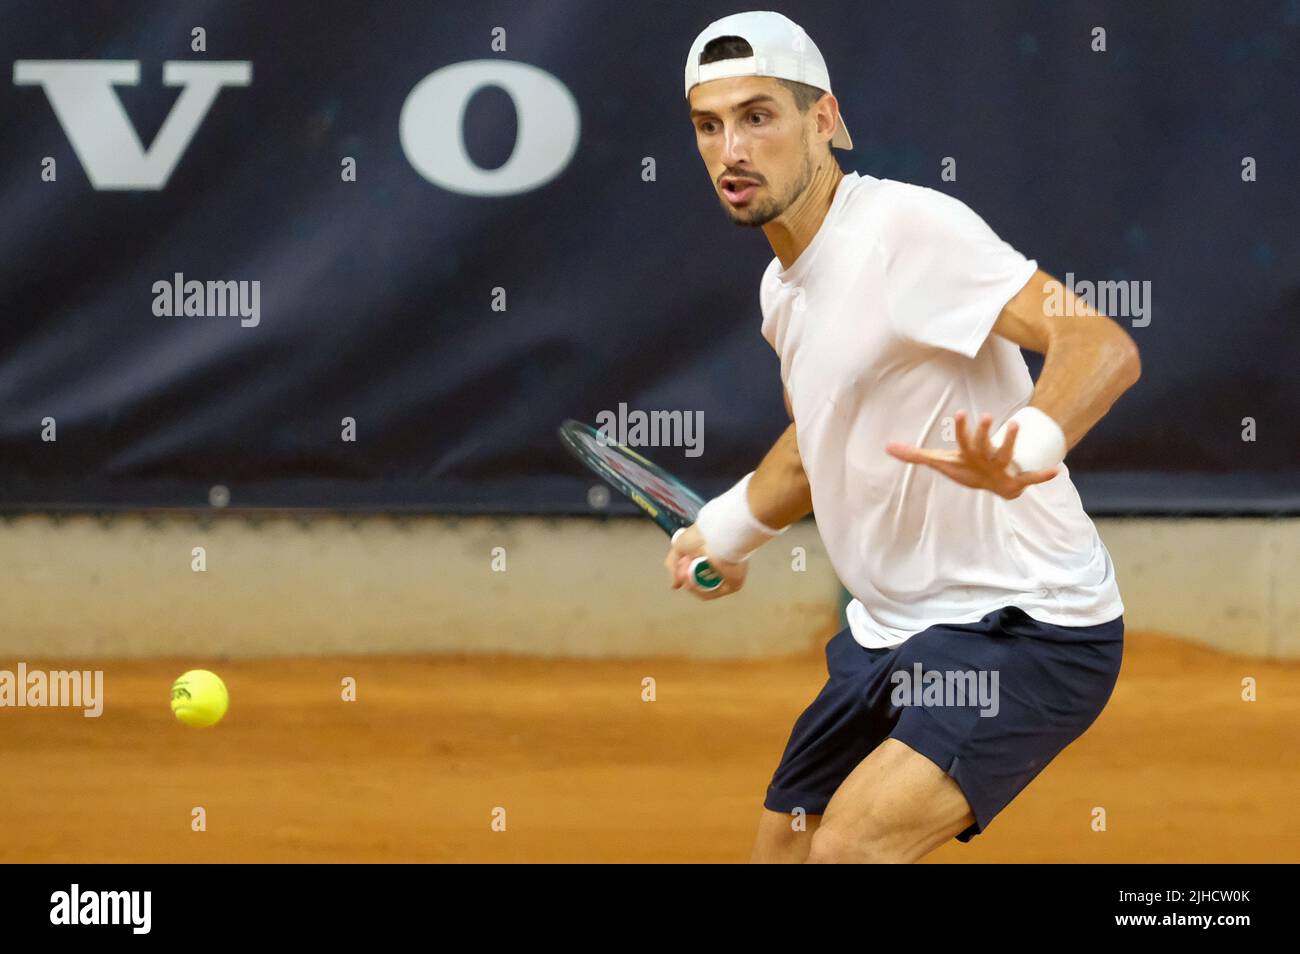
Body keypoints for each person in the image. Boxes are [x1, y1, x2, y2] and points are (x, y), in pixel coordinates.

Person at [669, 11, 1141, 863]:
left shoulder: (908, 231)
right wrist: (730, 528)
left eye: (758, 116)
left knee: (849, 848)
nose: (730, 148)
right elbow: (818, 439)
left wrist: (1029, 448)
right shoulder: (784, 291)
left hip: (1026, 626)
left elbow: (1099, 342)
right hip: (889, 631)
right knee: (784, 850)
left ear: (822, 121)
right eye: (710, 125)